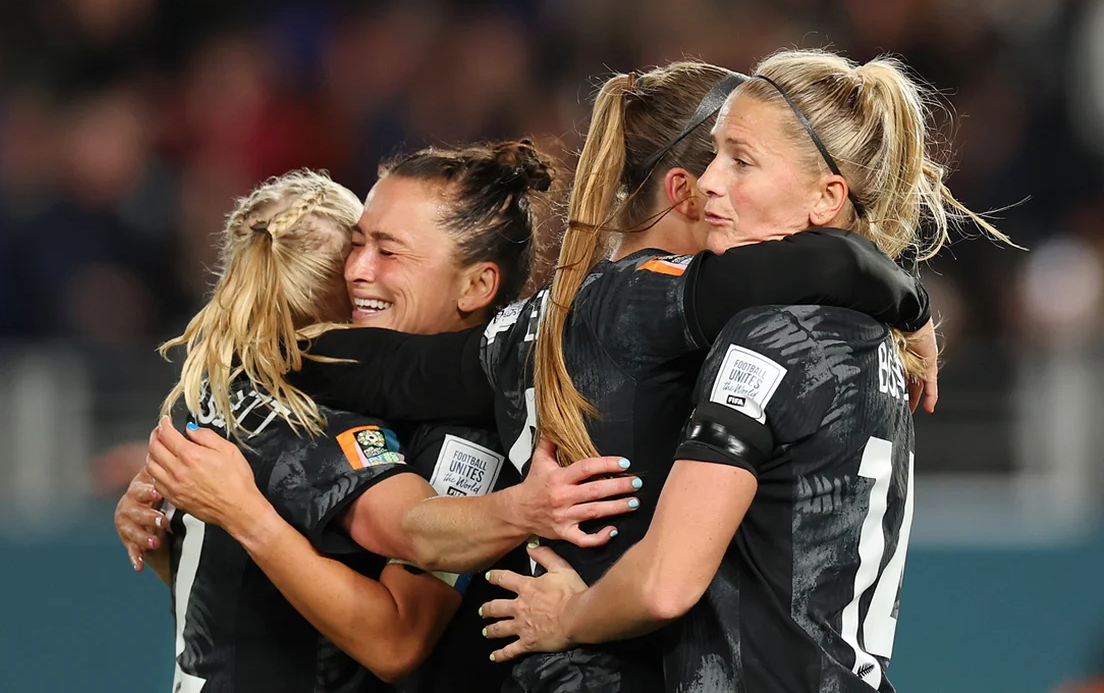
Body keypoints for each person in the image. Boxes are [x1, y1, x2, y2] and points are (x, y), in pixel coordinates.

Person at [146, 59, 937, 693]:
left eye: (744, 160)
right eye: (718, 159)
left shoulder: (545, 322)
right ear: (680, 188)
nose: (723, 187)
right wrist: (907, 299)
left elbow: (396, 372)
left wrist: (250, 357)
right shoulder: (717, 315)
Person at [478, 49, 1015, 693]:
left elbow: (665, 583)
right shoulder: (877, 340)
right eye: (712, 155)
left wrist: (566, 617)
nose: (709, 182)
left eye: (741, 160)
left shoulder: (765, 337)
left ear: (826, 197)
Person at [124, 144, 642, 692]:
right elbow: (286, 604)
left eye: (388, 253)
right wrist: (183, 532)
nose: (356, 271)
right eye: (356, 244)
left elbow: (396, 639)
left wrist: (245, 515)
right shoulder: (319, 381)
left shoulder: (468, 431)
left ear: (476, 286)